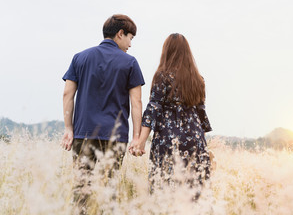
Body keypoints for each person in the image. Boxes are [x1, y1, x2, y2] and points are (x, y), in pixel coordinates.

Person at [61, 14, 145, 210]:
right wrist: (136, 136)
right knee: (110, 193)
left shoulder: (79, 57)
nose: (130, 45)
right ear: (120, 34)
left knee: (81, 192)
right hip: (115, 137)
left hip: (83, 133)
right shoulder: (130, 63)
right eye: (130, 38)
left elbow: (67, 94)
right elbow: (137, 102)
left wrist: (68, 128)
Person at [129, 33, 212, 195]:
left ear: (166, 51)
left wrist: (141, 141)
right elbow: (201, 114)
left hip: (168, 140)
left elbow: (153, 108)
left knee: (165, 189)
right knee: (194, 190)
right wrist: (203, 143)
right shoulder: (198, 79)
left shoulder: (162, 76)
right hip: (195, 141)